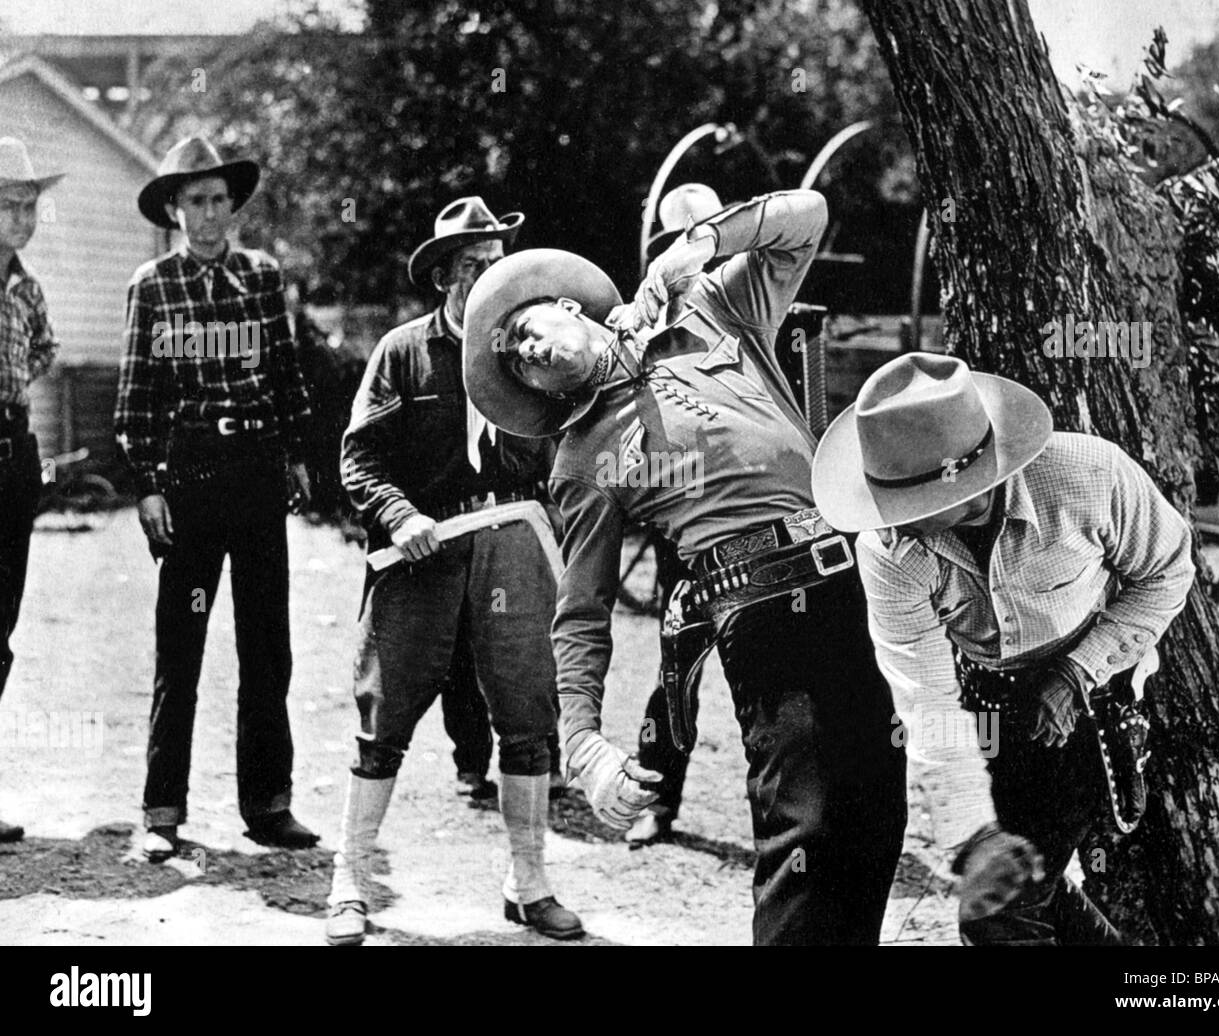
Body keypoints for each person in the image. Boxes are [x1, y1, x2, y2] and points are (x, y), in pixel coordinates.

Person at [463, 189, 907, 945]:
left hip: (853, 587)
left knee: (874, 813)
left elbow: (808, 216)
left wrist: (700, 241)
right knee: (808, 827)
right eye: (514, 361)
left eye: (524, 327)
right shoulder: (582, 457)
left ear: (572, 307)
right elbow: (581, 610)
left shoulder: (707, 308)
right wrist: (584, 745)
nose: (523, 350)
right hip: (761, 613)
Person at [810, 352, 1195, 945]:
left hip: (1096, 701)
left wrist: (1078, 671)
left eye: (911, 509)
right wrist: (974, 839)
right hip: (987, 699)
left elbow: (1168, 573)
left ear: (969, 486)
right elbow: (925, 695)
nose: (893, 526)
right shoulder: (889, 550)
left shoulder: (1091, 476)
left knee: (997, 913)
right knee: (1019, 883)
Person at [325, 197, 582, 946]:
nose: (487, 277)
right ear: (442, 277)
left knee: (528, 716)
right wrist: (400, 516)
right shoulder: (403, 352)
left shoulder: (533, 355)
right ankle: (350, 879)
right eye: (470, 266)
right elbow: (358, 456)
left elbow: (570, 448)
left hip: (510, 545)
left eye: (497, 262)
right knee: (386, 714)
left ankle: (528, 883)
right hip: (422, 551)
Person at [114, 136, 319, 861]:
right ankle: (162, 812)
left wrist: (297, 454)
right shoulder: (154, 285)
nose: (209, 213)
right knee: (183, 646)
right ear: (173, 209)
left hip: (257, 469)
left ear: (233, 207)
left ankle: (269, 805)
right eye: (195, 201)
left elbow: (288, 371)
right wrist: (147, 484)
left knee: (269, 646)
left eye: (219, 200)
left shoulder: (261, 279)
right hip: (192, 476)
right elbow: (137, 392)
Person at [624, 183, 726, 847]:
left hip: (764, 518)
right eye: (678, 249)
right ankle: (657, 797)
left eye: (702, 242)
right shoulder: (649, 320)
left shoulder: (752, 303)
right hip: (686, 528)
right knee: (678, 664)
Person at [0, 137, 64, 843]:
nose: (23, 218)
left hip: (14, 453)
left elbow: (44, 350)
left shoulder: (28, 289)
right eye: (11, 205)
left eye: (30, 205)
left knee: (0, 628)